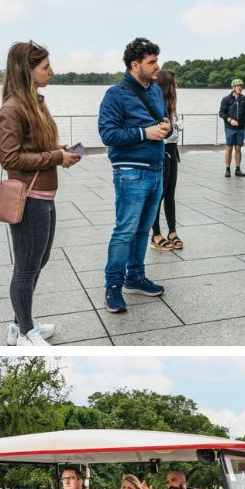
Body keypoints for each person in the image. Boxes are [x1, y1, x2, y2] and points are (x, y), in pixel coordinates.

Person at [0, 41, 81, 347]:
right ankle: (24, 332)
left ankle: (20, 323)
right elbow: (10, 159)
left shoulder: (36, 103)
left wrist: (58, 151)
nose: (52, 72)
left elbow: (33, 149)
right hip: (29, 198)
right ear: (27, 70)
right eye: (45, 67)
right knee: (26, 266)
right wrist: (55, 157)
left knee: (39, 260)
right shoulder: (12, 110)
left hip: (45, 194)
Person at [98, 37, 170, 314]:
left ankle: (135, 277)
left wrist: (167, 127)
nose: (157, 66)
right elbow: (108, 134)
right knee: (125, 231)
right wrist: (145, 133)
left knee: (143, 229)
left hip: (156, 168)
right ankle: (113, 286)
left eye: (157, 60)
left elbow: (164, 121)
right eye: (151, 62)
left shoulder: (155, 90)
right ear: (134, 64)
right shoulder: (115, 95)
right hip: (130, 172)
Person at [150, 69, 184, 251]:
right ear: (167, 85)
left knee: (170, 192)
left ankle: (172, 231)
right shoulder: (156, 103)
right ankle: (155, 234)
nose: (176, 86)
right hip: (161, 151)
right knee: (159, 194)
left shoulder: (172, 104)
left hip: (172, 149)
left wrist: (176, 126)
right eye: (173, 83)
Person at [219, 78, 245, 177]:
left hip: (241, 128)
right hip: (229, 128)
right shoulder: (226, 99)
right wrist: (230, 120)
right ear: (233, 87)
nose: (240, 88)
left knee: (238, 148)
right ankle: (227, 169)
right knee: (229, 148)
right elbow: (221, 113)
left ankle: (238, 169)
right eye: (238, 86)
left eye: (241, 86)